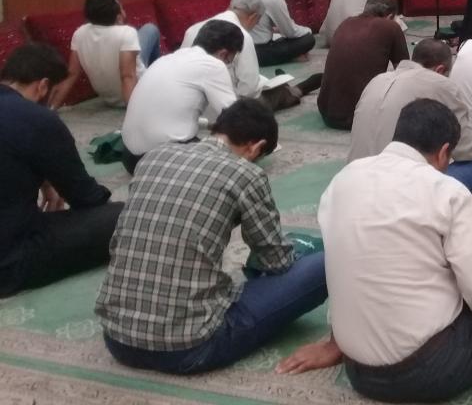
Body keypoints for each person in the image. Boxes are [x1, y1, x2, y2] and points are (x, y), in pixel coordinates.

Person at [276, 99, 472, 405]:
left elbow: (343, 266)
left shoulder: (342, 180)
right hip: (426, 369)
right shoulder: (446, 191)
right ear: (443, 152)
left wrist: (337, 343)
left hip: (358, 371)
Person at [97, 99, 327, 374]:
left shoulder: (154, 156)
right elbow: (276, 261)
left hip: (116, 339)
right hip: (189, 348)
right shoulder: (246, 173)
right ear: (256, 147)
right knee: (326, 264)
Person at [0, 43, 123, 296]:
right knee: (124, 217)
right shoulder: (36, 118)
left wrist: (45, 177)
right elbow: (86, 197)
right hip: (10, 260)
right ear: (43, 86)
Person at [348, 39, 472, 204]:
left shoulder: (376, 80)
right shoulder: (440, 84)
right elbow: (468, 152)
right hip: (400, 196)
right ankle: (452, 200)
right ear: (440, 70)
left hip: (354, 185)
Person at [120, 20, 241, 174]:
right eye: (229, 61)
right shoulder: (213, 65)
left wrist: (207, 124)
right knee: (231, 158)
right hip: (163, 161)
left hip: (130, 158)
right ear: (223, 54)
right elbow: (235, 116)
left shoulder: (165, 60)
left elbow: (165, 111)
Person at [180, 0, 321, 112]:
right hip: (221, 108)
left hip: (189, 104)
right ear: (253, 17)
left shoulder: (192, 29)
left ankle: (286, 88)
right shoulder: (241, 36)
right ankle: (292, 91)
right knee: (267, 96)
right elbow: (249, 91)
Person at [50, 0, 162, 108]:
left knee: (141, 33)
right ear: (118, 17)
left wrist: (51, 108)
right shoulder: (127, 33)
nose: (124, 12)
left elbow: (72, 74)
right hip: (135, 95)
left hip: (109, 99)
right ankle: (157, 83)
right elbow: (127, 76)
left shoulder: (79, 33)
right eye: (121, 9)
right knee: (150, 29)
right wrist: (133, 110)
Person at [317, 0, 408, 130]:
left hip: (326, 113)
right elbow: (404, 71)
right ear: (390, 16)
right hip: (361, 117)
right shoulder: (391, 26)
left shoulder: (345, 23)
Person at [235, 0, 315, 66]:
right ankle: (291, 56)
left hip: (238, 48)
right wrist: (308, 30)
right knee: (308, 39)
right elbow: (291, 32)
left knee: (278, 36)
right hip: (258, 53)